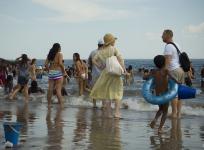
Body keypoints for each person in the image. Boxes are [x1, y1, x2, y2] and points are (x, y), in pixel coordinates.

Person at [90, 33, 126, 118]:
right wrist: (124, 70)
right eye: (114, 40)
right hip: (116, 73)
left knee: (108, 94)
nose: (115, 42)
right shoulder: (113, 49)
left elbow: (93, 60)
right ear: (111, 41)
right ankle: (117, 113)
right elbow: (120, 59)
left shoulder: (100, 52)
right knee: (118, 93)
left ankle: (109, 114)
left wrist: (100, 66)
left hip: (106, 73)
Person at [162, 29, 185, 118]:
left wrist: (164, 72)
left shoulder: (168, 46)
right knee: (179, 93)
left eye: (163, 35)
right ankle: (178, 113)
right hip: (180, 70)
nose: (161, 37)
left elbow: (168, 61)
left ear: (167, 36)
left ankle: (174, 113)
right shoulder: (177, 45)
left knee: (173, 93)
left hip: (173, 70)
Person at [149, 55, 169, 133]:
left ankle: (155, 119)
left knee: (160, 109)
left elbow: (146, 77)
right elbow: (173, 78)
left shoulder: (154, 71)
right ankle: (160, 128)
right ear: (164, 63)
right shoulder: (166, 71)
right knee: (165, 111)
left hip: (158, 94)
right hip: (165, 94)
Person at [88, 39, 105, 108]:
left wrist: (89, 72)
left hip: (94, 74)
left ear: (98, 45)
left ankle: (94, 104)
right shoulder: (105, 53)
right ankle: (102, 105)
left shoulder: (93, 52)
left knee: (94, 89)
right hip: (103, 74)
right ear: (103, 45)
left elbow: (89, 62)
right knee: (103, 90)